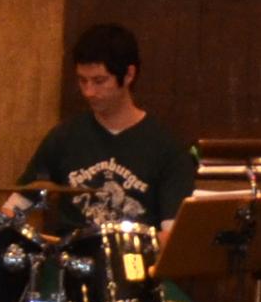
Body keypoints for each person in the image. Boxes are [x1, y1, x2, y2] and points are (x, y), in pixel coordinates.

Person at [10, 21, 200, 234]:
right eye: (83, 80)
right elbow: (16, 206)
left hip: (134, 253)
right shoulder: (64, 137)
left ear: (128, 75)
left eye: (99, 81)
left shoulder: (167, 148)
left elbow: (172, 235)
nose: (89, 92)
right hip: (71, 252)